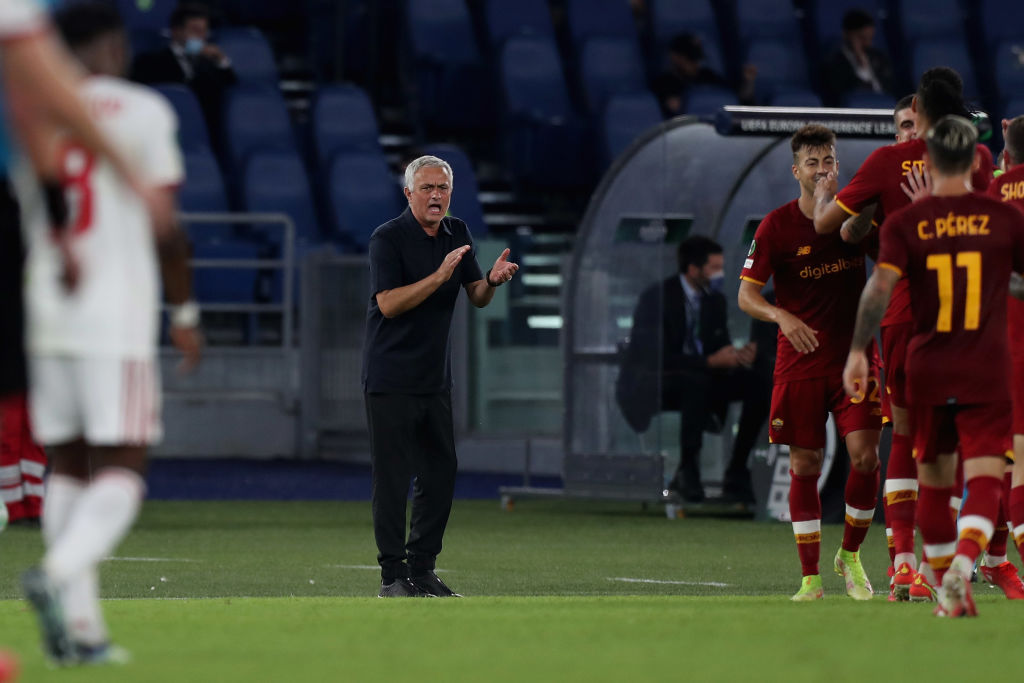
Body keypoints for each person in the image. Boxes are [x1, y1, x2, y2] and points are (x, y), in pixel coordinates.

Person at [17, 3, 201, 664]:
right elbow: (166, 227)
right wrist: (184, 314)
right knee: (124, 463)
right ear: (112, 47)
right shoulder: (143, 112)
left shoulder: (29, 110)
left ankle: (81, 630)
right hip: (114, 312)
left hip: (47, 310)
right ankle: (57, 574)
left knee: (67, 461)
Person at [813, 66, 994, 602]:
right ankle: (958, 563)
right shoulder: (978, 162)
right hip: (965, 321)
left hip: (902, 320)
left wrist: (832, 197)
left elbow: (831, 229)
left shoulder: (886, 164)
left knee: (909, 438)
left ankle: (907, 566)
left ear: (921, 114)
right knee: (968, 445)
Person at [844, 115, 1024, 617]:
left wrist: (859, 351)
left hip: (926, 366)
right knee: (986, 475)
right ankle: (965, 566)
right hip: (985, 365)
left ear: (929, 161)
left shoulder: (907, 223)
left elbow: (878, 289)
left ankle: (942, 581)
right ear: (974, 162)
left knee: (934, 478)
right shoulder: (1004, 219)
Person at [363, 155, 518, 598]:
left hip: (434, 377)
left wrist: (491, 278)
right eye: (427, 188)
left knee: (440, 472)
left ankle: (423, 568)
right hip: (390, 376)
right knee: (393, 478)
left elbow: (477, 297)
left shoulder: (458, 232)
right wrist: (438, 276)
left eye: (443, 188)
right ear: (408, 193)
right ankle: (392, 576)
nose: (436, 196)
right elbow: (389, 305)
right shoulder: (387, 239)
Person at [738, 124, 882, 602]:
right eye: (813, 163)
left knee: (865, 456)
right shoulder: (775, 226)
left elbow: (885, 257)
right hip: (799, 362)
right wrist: (781, 315)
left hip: (852, 358)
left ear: (837, 166)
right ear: (796, 170)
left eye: (829, 161)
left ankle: (853, 556)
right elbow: (746, 295)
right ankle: (810, 578)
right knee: (805, 463)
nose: (822, 170)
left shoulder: (854, 220)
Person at [617, 235, 769, 504]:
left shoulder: (715, 301)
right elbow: (655, 357)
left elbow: (718, 346)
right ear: (693, 269)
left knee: (757, 382)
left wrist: (736, 356)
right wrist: (709, 363)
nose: (720, 274)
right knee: (695, 382)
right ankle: (688, 472)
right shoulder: (658, 298)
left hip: (701, 377)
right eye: (714, 267)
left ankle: (737, 470)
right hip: (655, 380)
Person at [983, 114, 1024, 596]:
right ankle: (989, 561)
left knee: (1004, 461)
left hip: (996, 346)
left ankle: (980, 562)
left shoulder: (989, 197)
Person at [130, 2, 236, 140]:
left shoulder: (210, 62)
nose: (201, 37)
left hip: (205, 133)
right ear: (176, 32)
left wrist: (221, 60)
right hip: (169, 129)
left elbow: (231, 88)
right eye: (195, 31)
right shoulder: (151, 62)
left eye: (204, 32)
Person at [652, 32, 756, 117]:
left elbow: (736, 100)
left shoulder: (708, 76)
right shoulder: (664, 83)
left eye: (696, 59)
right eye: (689, 59)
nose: (694, 64)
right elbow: (672, 113)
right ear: (675, 57)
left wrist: (748, 82)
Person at [820, 8, 895, 107]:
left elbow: (890, 88)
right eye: (862, 38)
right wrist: (860, 62)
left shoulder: (879, 58)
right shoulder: (835, 62)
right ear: (847, 35)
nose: (867, 43)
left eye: (870, 38)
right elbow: (842, 92)